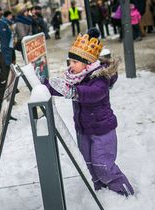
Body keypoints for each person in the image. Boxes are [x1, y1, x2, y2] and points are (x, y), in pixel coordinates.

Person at [44, 28, 134, 197]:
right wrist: (44, 86)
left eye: (74, 62)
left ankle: (126, 195)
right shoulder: (75, 77)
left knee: (103, 166)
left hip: (102, 130)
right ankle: (103, 196)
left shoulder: (100, 78)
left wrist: (74, 92)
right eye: (69, 62)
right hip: (84, 130)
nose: (70, 66)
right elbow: (63, 89)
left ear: (87, 63)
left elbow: (93, 94)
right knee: (89, 165)